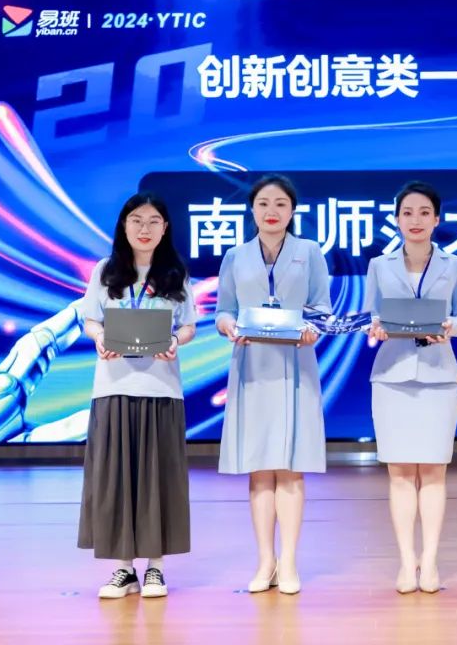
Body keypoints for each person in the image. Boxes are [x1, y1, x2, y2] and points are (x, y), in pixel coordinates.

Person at [78, 192, 197, 599]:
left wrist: (175, 341)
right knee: (116, 479)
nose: (144, 229)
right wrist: (99, 338)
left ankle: (156, 568)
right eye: (136, 220)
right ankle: (124, 569)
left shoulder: (175, 273)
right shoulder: (105, 271)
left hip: (161, 389)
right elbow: (91, 319)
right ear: (124, 226)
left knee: (158, 479)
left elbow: (188, 326)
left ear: (165, 228)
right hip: (113, 387)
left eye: (153, 221)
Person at [216, 175, 330, 595]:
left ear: (292, 210)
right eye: (264, 203)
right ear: (252, 209)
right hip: (252, 367)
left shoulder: (309, 252)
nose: (272, 211)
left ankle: (290, 561)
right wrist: (228, 326)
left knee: (291, 467)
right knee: (260, 467)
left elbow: (321, 308)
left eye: (281, 203)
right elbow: (224, 310)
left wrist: (312, 328)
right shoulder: (236, 255)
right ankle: (266, 561)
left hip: (295, 366)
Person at [365, 181, 457, 594]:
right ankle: (405, 561)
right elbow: (370, 315)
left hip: (438, 376)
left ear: (437, 219)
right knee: (398, 473)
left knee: (433, 472)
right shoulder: (380, 265)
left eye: (424, 212)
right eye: (407, 213)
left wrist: (450, 326)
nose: (415, 220)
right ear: (396, 219)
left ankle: (429, 562)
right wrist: (376, 328)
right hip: (391, 376)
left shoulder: (454, 264)